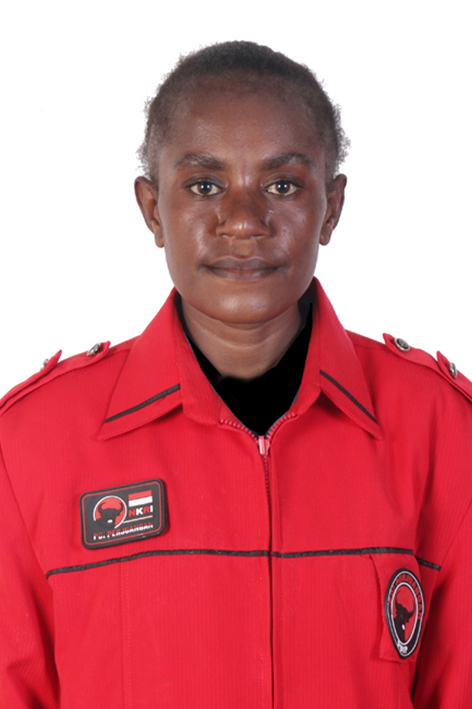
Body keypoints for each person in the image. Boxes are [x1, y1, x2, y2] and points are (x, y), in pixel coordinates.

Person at [1, 41, 471, 709]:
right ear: (152, 209)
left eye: (283, 185)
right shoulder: (33, 443)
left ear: (332, 207)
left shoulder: (443, 429)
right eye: (204, 185)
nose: (244, 222)